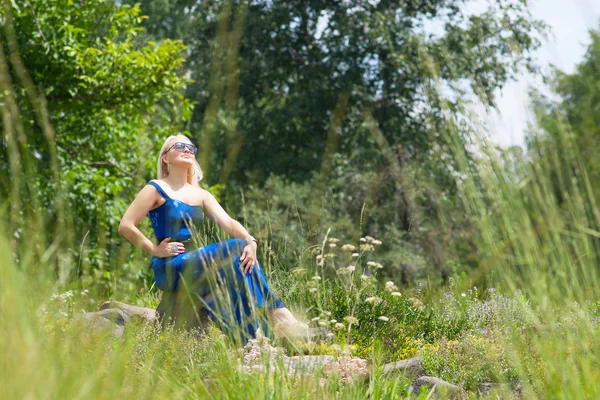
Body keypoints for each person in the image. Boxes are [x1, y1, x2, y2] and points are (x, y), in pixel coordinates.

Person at [118, 134, 308, 343]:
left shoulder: (202, 195)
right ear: (165, 158)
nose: (187, 149)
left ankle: (254, 340)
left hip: (195, 262)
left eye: (191, 147)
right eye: (179, 146)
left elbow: (228, 223)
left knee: (235, 271)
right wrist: (154, 250)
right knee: (235, 248)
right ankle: (280, 315)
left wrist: (251, 242)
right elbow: (126, 225)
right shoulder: (155, 188)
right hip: (170, 265)